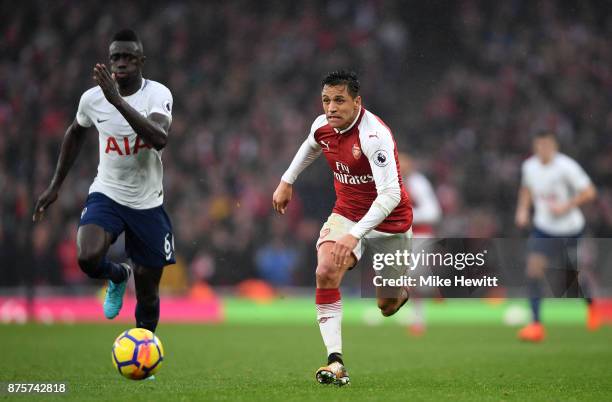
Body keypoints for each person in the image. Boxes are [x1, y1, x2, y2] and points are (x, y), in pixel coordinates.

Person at [273, 70, 413, 386]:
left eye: (339, 100)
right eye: (326, 100)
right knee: (325, 271)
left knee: (386, 307)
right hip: (347, 214)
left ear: (356, 102)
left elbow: (390, 195)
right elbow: (310, 145)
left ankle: (399, 292)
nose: (331, 108)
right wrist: (287, 180)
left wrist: (355, 235)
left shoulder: (374, 137)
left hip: (390, 222)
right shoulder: (323, 126)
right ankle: (335, 361)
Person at [33, 29, 175, 334]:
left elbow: (159, 138)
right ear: (109, 62)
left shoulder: (157, 94)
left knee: (148, 293)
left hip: (148, 202)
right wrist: (55, 185)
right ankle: (117, 275)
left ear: (141, 61)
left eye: (128, 57)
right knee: (87, 257)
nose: (121, 63)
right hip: (107, 193)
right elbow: (75, 133)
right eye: (115, 57)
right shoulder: (92, 99)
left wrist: (117, 101)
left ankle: (145, 355)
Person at [515, 131, 598, 342]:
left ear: (554, 147)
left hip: (570, 228)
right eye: (539, 146)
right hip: (544, 228)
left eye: (546, 146)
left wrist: (566, 206)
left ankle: (592, 307)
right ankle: (535, 325)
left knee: (571, 276)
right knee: (533, 269)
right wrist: (523, 210)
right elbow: (526, 189)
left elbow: (590, 192)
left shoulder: (567, 167)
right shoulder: (529, 166)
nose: (543, 150)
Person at [398, 153, 442, 336]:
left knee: (412, 276)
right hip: (401, 237)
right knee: (409, 277)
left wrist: (406, 215)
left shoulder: (418, 182)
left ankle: (435, 290)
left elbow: (434, 212)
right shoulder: (393, 183)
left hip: (421, 235)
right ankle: (417, 318)